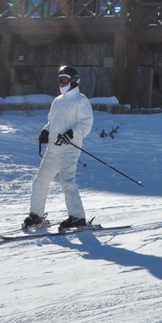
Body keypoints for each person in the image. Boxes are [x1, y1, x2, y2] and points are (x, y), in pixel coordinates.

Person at [23, 66, 94, 230]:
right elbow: (52, 122)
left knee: (67, 181)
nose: (61, 83)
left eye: (65, 80)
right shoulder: (57, 101)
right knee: (40, 181)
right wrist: (45, 132)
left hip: (69, 148)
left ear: (74, 81)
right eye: (60, 80)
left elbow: (86, 124)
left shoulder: (81, 100)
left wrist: (71, 133)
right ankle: (36, 216)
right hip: (53, 149)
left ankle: (77, 217)